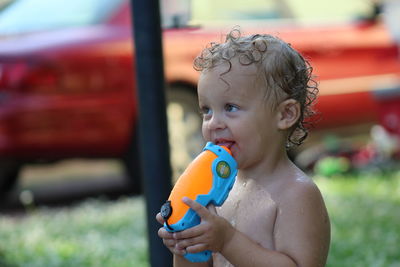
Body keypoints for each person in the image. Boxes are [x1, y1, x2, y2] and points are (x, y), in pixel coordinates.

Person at [156, 28, 330, 267]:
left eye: (231, 107)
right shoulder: (216, 191)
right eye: (207, 110)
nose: (214, 123)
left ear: (285, 114)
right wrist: (186, 246)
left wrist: (226, 240)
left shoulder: (296, 194)